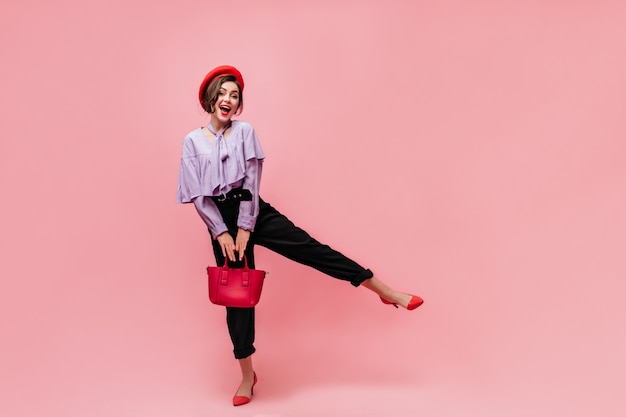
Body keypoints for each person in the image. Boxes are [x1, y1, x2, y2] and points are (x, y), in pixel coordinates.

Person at [176, 65, 423, 406]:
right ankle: (247, 375)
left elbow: (252, 179)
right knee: (237, 299)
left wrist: (246, 227)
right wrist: (221, 232)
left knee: (311, 249)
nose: (228, 100)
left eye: (234, 95)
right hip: (220, 221)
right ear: (210, 97)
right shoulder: (192, 141)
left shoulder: (245, 132)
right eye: (222, 93)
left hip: (253, 211)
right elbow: (198, 195)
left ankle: (385, 290)